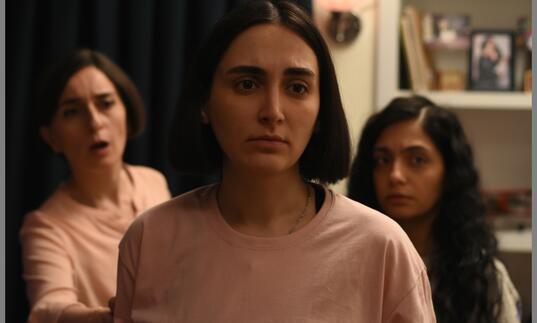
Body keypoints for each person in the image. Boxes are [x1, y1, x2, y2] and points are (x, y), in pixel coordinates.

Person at [113, 1, 436, 322]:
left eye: (297, 87)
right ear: (204, 103)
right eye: (247, 84)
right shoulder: (150, 239)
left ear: (322, 111)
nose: (272, 111)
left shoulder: (382, 248)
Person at [20, 49, 172, 323]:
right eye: (72, 112)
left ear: (126, 112)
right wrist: (103, 318)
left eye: (105, 103)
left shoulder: (154, 181)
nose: (95, 122)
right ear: (51, 137)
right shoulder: (45, 226)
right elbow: (48, 307)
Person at [348, 95, 521, 323]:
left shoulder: (484, 278)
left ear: (449, 173)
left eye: (417, 160)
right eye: (382, 160)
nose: (395, 175)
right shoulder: (348, 265)